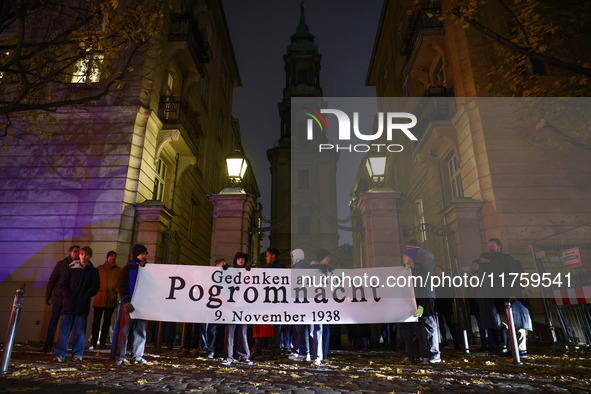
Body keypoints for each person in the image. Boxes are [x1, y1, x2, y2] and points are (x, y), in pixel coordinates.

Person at [53, 246, 100, 362]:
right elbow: (62, 284)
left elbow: (95, 287)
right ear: (79, 255)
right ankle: (60, 354)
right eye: (82, 254)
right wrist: (68, 296)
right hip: (69, 303)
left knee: (79, 330)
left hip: (82, 305)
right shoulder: (72, 268)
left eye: (86, 254)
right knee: (64, 330)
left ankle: (78, 354)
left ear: (90, 256)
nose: (84, 256)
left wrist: (85, 296)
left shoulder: (93, 271)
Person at [487, 238, 529, 359]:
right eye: (489, 246)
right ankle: (513, 348)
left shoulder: (506, 258)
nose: (490, 248)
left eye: (492, 246)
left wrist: (513, 292)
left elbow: (513, 274)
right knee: (507, 324)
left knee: (517, 323)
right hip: (499, 298)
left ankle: (521, 350)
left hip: (510, 296)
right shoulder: (492, 262)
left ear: (499, 247)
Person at [403, 241, 441, 364]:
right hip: (418, 297)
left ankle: (433, 354)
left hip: (426, 296)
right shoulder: (420, 261)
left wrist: (421, 304)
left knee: (429, 325)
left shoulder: (424, 261)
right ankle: (425, 353)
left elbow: (425, 282)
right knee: (420, 327)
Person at [115, 244, 149, 365]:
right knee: (125, 330)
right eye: (143, 253)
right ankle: (120, 356)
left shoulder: (146, 268)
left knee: (140, 330)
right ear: (137, 254)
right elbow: (122, 285)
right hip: (130, 304)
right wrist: (126, 301)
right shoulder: (128, 268)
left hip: (142, 304)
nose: (145, 256)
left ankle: (137, 356)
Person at [44, 245, 80, 352]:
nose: (77, 253)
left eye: (78, 252)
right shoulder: (61, 264)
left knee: (67, 323)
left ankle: (61, 346)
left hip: (70, 299)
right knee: (54, 321)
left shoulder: (79, 265)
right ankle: (48, 344)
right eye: (75, 251)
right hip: (59, 297)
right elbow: (53, 280)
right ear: (70, 252)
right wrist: (48, 295)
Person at [251, 247, 285, 360]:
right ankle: (261, 349)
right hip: (265, 302)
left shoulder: (280, 268)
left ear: (273, 255)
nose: (266, 257)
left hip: (275, 302)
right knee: (261, 325)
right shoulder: (267, 268)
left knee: (274, 327)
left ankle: (273, 350)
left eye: (267, 255)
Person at [221, 252, 254, 366]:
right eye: (238, 258)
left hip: (244, 305)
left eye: (242, 259)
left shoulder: (248, 271)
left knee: (242, 331)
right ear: (236, 260)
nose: (240, 260)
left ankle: (243, 356)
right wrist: (223, 270)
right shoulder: (230, 271)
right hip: (231, 305)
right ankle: (228, 356)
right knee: (229, 331)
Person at [89, 250, 122, 350]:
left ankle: (102, 341)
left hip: (110, 299)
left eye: (114, 256)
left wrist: (115, 290)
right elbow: (94, 282)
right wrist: (97, 290)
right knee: (96, 322)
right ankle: (94, 342)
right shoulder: (100, 269)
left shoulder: (118, 271)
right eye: (111, 256)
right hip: (99, 299)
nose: (113, 258)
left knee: (107, 322)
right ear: (107, 257)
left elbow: (120, 284)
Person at [309, 249, 332, 366]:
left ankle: (323, 355)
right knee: (318, 329)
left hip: (326, 304)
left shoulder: (328, 270)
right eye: (327, 257)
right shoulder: (314, 270)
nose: (329, 259)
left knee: (325, 330)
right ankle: (318, 356)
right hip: (317, 304)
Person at [288, 248, 311, 362]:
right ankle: (299, 351)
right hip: (302, 301)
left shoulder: (299, 267)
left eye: (292, 256)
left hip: (300, 302)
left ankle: (303, 352)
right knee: (299, 328)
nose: (291, 259)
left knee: (301, 328)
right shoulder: (304, 265)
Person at [433, 264, 461, 349]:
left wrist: (450, 300)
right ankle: (445, 341)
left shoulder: (447, 279)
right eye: (435, 270)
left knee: (449, 322)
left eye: (438, 269)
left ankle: (456, 341)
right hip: (438, 304)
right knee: (441, 323)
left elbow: (452, 291)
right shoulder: (434, 280)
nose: (436, 271)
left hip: (446, 303)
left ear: (442, 271)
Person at [206, 259, 228, 360]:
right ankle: (211, 350)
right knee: (212, 330)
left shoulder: (227, 277)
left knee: (220, 330)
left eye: (218, 266)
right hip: (213, 306)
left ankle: (218, 351)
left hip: (223, 307)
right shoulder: (211, 277)